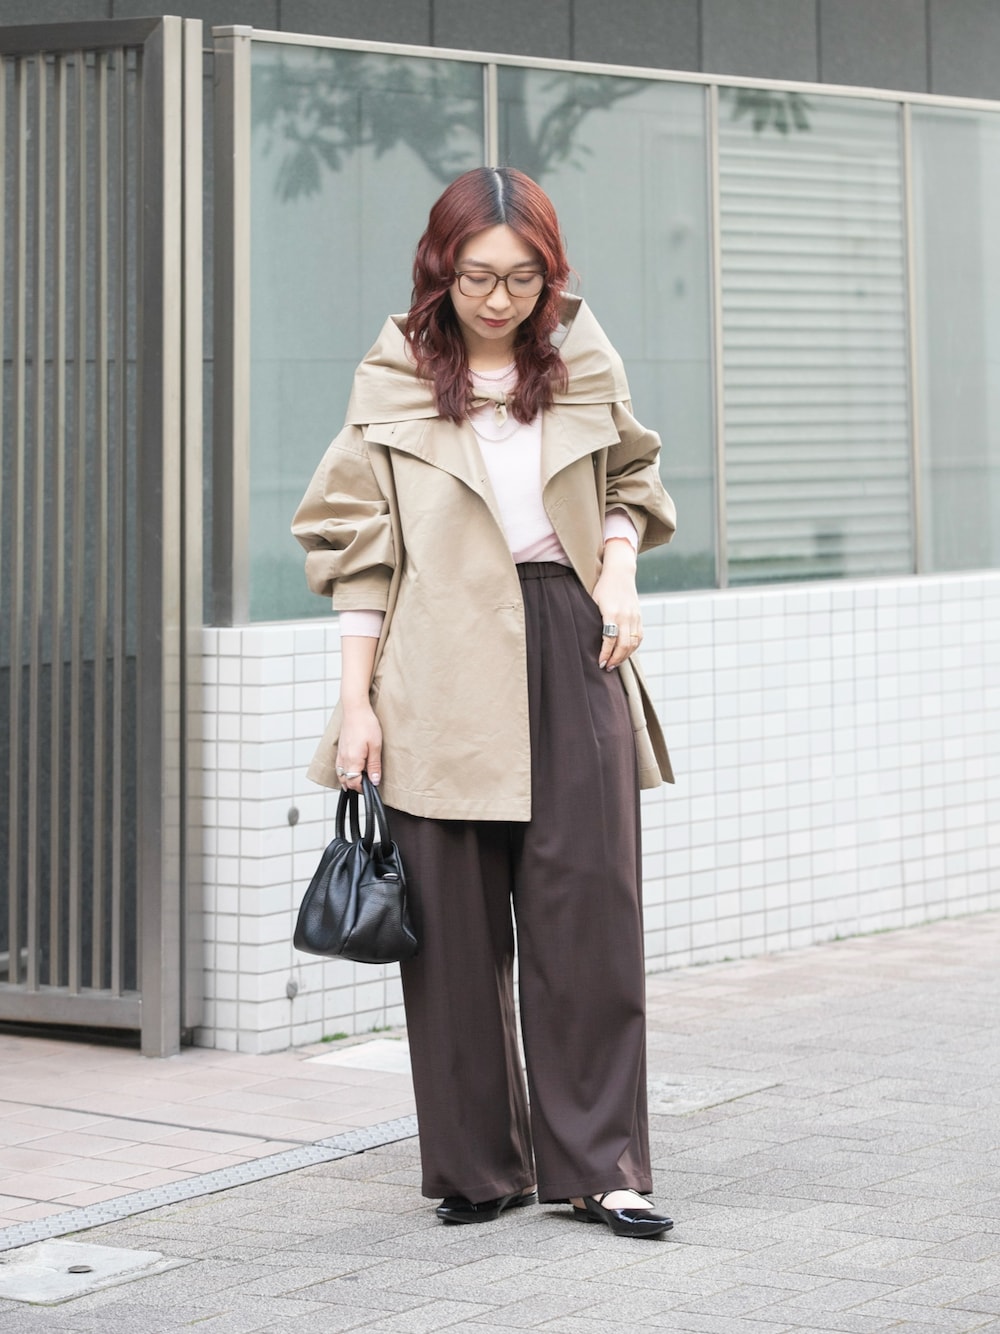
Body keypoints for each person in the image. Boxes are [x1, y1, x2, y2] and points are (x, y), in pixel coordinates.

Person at [292, 166, 677, 1239]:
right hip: (436, 659)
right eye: (475, 276)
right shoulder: (393, 383)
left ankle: (602, 1167)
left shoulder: (582, 363)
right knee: (451, 934)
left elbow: (631, 481)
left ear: (550, 275)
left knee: (589, 913)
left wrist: (618, 569)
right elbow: (358, 552)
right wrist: (356, 705)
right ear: (438, 270)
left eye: (521, 277)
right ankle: (477, 1165)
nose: (498, 299)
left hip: (572, 639)